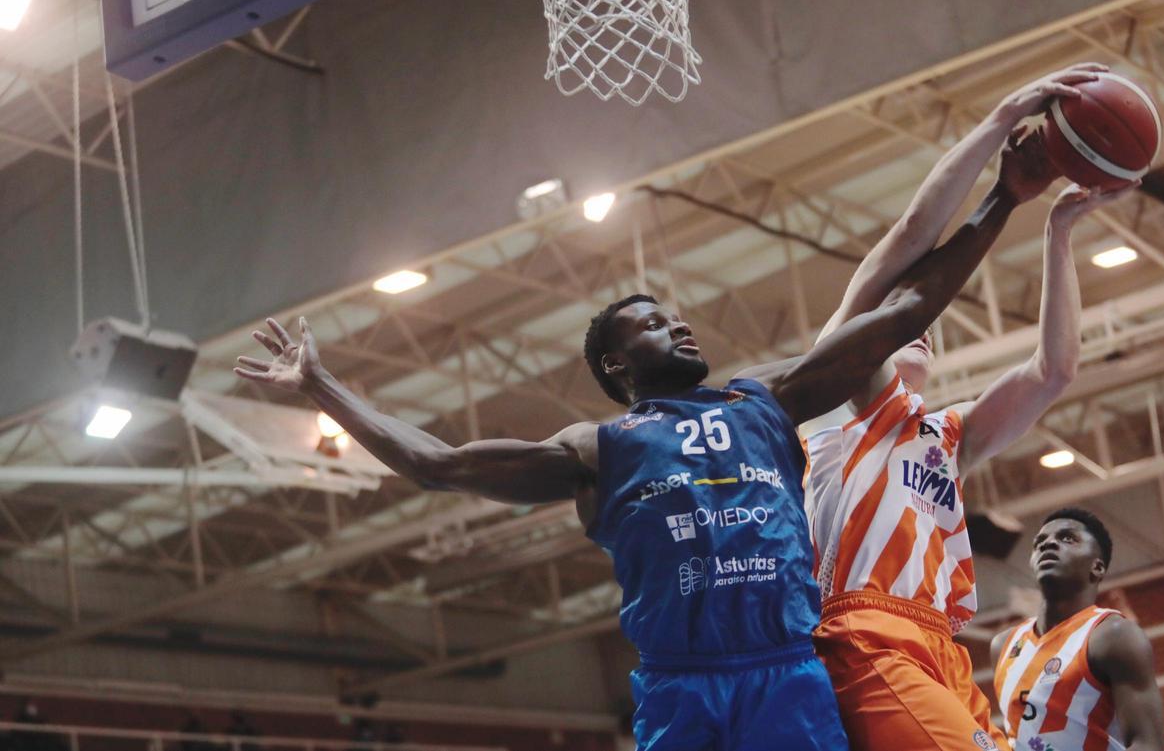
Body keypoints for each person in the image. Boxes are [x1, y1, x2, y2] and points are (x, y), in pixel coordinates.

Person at [235, 78, 1034, 750]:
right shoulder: (598, 449)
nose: (678, 325)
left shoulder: (762, 398)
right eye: (652, 324)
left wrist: (1004, 197)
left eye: (676, 316)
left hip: (786, 672)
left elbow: (901, 313)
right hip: (683, 689)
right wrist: (321, 384)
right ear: (617, 365)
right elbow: (437, 464)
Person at [801, 63, 1139, 751]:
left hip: (940, 646)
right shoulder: (847, 398)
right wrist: (999, 120)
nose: (921, 327)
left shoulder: (946, 437)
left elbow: (1053, 371)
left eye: (928, 327)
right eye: (908, 318)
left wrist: (1059, 231)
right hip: (865, 632)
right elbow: (903, 241)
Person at [991, 508, 1164, 751]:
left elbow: (1149, 745)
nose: (1048, 544)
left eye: (1067, 538)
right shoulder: (1003, 645)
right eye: (1039, 542)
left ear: (1097, 567)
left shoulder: (1113, 636)